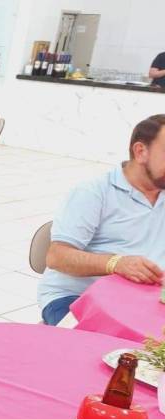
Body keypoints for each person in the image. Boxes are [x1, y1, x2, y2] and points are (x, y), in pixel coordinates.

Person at [39, 114, 165, 325]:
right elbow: (57, 257)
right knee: (112, 343)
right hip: (78, 297)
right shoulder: (94, 192)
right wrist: (117, 263)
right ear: (140, 152)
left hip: (143, 298)